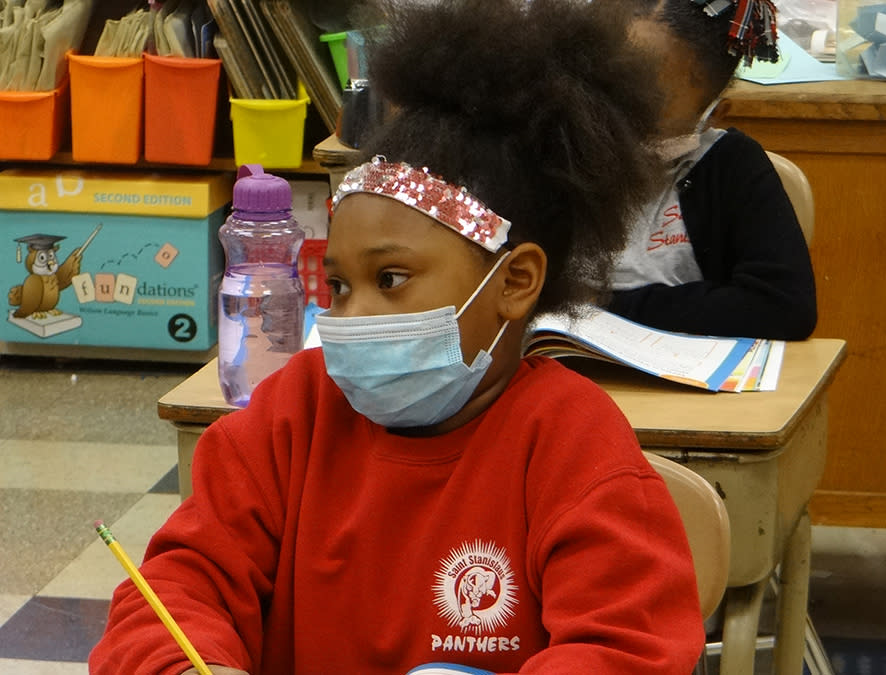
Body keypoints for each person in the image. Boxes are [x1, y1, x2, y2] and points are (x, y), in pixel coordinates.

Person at [89, 1, 705, 673]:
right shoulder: (290, 417)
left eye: (391, 277)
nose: (349, 317)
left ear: (515, 280)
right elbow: (173, 591)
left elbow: (626, 651)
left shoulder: (572, 447)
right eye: (340, 285)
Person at [606, 0, 818, 340]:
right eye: (612, 89)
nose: (623, 116)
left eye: (651, 105)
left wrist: (606, 309)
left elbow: (784, 306)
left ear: (714, 114)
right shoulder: (554, 149)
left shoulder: (732, 165)